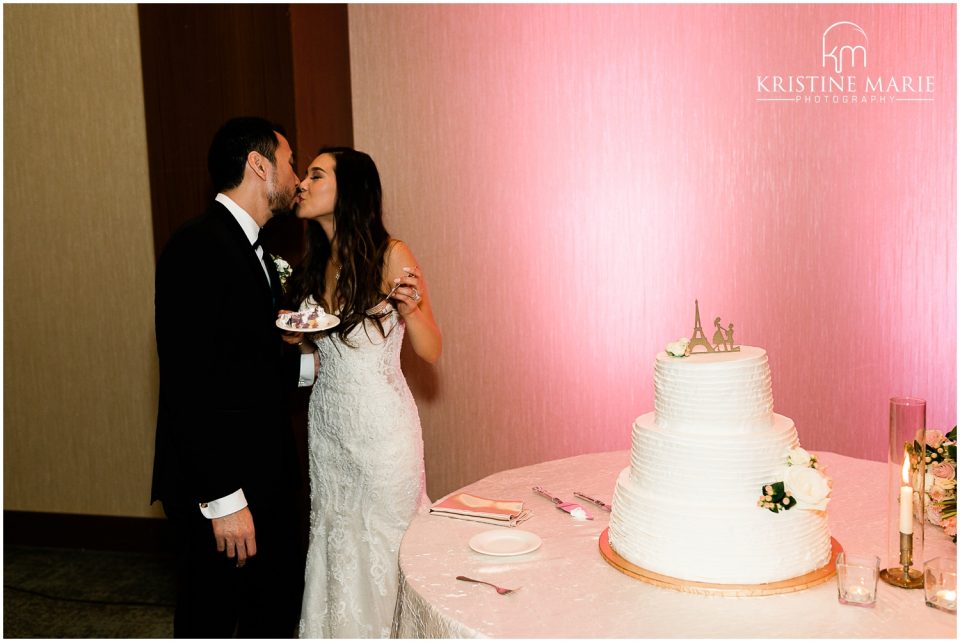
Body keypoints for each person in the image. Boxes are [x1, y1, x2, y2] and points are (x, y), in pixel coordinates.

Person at [152, 117, 319, 638]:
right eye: (290, 162)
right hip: (223, 487)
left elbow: (244, 366)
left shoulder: (259, 252)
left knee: (268, 616)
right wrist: (223, 501)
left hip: (261, 475)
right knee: (214, 620)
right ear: (259, 164)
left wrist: (329, 363)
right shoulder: (197, 247)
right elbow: (189, 384)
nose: (294, 176)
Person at [284, 147, 441, 637]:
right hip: (328, 432)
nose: (302, 185)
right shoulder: (314, 261)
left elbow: (432, 350)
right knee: (335, 541)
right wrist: (298, 339)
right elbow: (321, 346)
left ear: (348, 189)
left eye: (315, 176)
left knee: (382, 543)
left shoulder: (393, 254)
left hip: (381, 433)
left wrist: (410, 311)